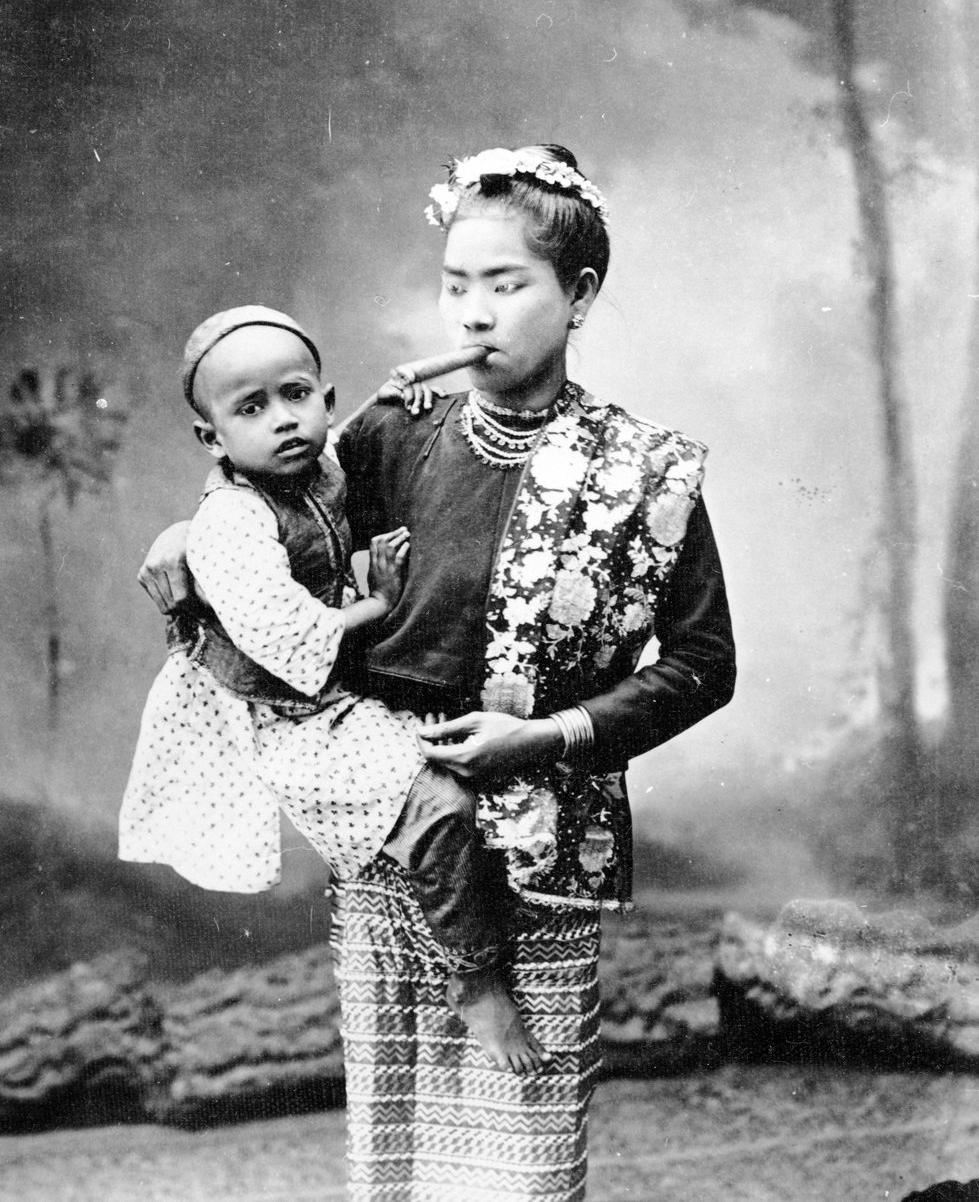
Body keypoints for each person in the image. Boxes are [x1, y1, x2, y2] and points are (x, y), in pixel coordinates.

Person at [139, 145, 736, 1202]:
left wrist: (544, 737)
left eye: (505, 286)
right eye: (456, 286)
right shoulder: (391, 435)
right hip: (393, 828)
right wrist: (190, 528)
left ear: (580, 294)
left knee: (527, 1157)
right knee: (401, 1153)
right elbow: (280, 512)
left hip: (546, 831)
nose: (472, 316)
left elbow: (702, 665)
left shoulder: (647, 473)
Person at [121, 304, 547, 1073]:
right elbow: (282, 638)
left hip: (333, 691)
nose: (283, 421)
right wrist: (376, 606)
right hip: (277, 713)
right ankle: (475, 980)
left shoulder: (319, 464)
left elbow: (355, 433)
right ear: (211, 438)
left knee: (489, 762)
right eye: (250, 409)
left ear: (322, 396)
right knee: (440, 807)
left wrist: (400, 403)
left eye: (295, 394)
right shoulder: (230, 522)